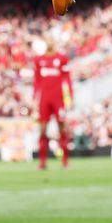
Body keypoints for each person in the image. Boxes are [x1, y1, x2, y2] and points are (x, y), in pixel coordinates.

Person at [33, 38, 73, 169]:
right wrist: (34, 99)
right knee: (43, 131)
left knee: (62, 129)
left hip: (58, 99)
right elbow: (36, 81)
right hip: (44, 100)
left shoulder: (62, 58)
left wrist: (70, 98)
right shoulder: (39, 60)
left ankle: (65, 161)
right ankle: (42, 162)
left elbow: (67, 79)